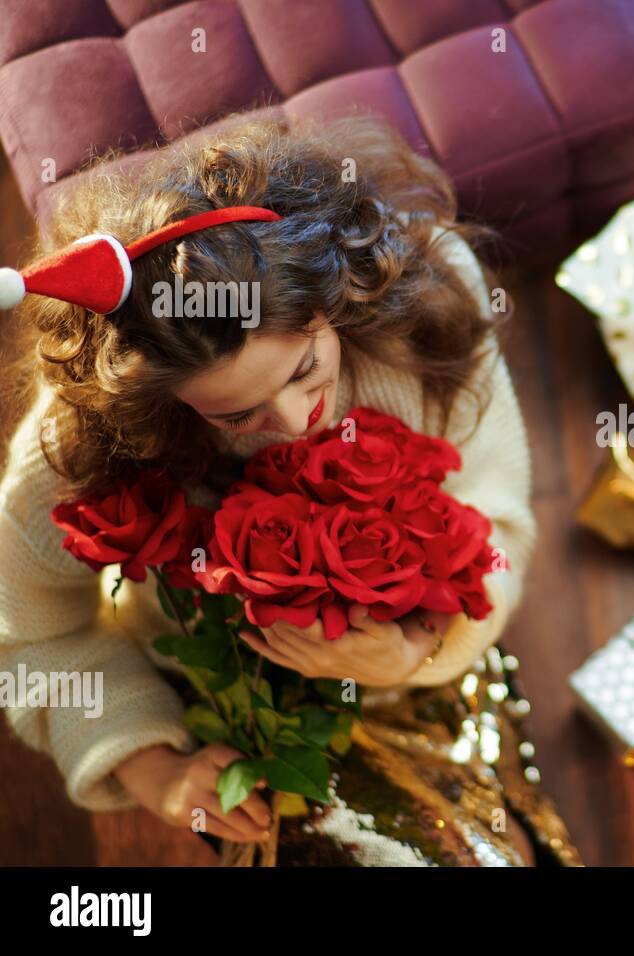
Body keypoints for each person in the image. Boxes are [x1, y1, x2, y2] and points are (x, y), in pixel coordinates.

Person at [0, 118, 578, 866]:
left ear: (335, 297)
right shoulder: (75, 449)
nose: (296, 421)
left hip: (425, 661)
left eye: (307, 368)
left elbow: (499, 527)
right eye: (237, 414)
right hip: (225, 707)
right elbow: (31, 640)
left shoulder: (431, 300)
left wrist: (411, 654)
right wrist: (155, 770)